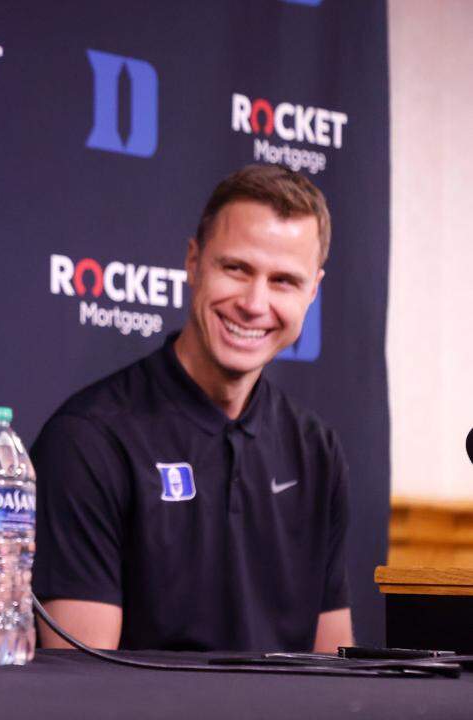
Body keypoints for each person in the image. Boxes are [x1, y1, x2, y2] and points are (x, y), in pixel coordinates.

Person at [32, 165, 352, 652]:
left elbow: (335, 669)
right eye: (237, 268)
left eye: (284, 280)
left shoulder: (316, 450)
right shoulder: (88, 441)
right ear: (193, 261)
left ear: (313, 292)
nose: (254, 302)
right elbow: (80, 682)